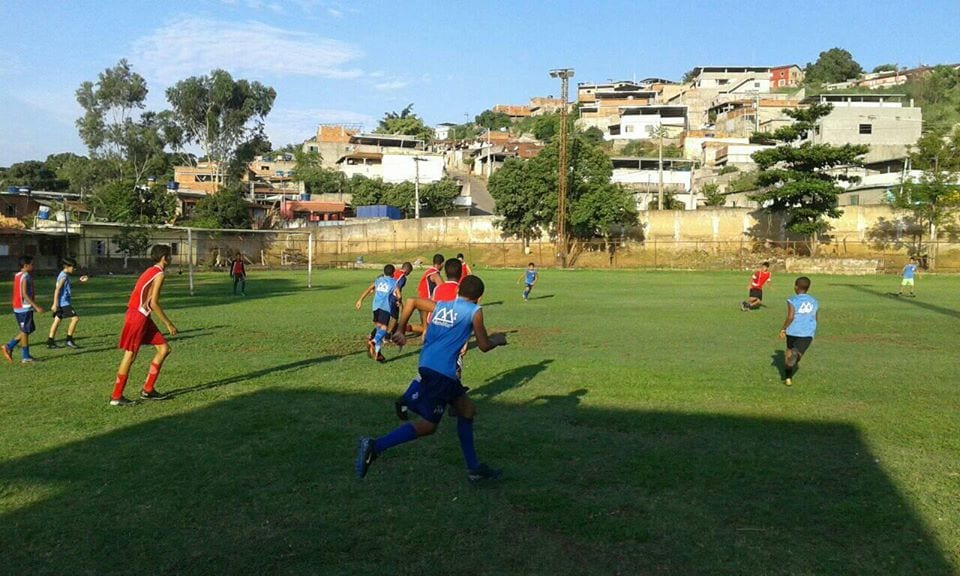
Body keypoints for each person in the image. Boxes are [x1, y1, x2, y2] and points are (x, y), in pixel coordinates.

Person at [355, 275, 507, 484]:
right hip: (441, 373)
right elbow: (483, 345)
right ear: (479, 297)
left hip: (429, 365)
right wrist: (498, 339)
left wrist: (399, 329)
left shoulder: (441, 305)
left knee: (467, 410)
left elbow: (412, 302)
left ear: (458, 291)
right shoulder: (474, 311)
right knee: (428, 426)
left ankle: (475, 469)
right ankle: (375, 445)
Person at [109, 244, 178, 406]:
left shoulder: (150, 270)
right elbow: (153, 303)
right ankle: (116, 396)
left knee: (164, 349)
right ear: (164, 258)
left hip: (141, 315)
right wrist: (168, 324)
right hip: (137, 316)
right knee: (130, 355)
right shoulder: (159, 274)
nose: (171, 258)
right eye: (170, 255)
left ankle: (148, 390)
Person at [355, 264, 400, 362]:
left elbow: (368, 289)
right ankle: (374, 342)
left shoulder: (378, 280)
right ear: (393, 273)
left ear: (384, 272)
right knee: (384, 328)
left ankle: (378, 354)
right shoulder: (394, 282)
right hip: (385, 307)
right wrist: (398, 301)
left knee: (379, 329)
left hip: (375, 307)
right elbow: (399, 295)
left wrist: (360, 300)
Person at [3, 256, 44, 364]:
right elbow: (24, 294)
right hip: (23, 308)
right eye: (32, 264)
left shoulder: (18, 275)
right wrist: (36, 306)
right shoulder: (25, 276)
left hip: (21, 307)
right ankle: (25, 357)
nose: (33, 266)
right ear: (26, 266)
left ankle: (9, 346)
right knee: (25, 331)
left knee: (29, 329)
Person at [779, 276, 819, 387]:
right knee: (798, 353)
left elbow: (790, 317)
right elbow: (815, 317)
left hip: (792, 330)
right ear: (808, 288)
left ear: (796, 287)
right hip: (806, 332)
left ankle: (788, 377)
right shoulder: (814, 301)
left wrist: (783, 328)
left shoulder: (792, 300)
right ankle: (796, 356)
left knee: (789, 350)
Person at [47, 257, 88, 349]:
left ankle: (50, 341)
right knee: (75, 319)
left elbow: (67, 287)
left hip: (61, 303)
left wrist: (79, 281)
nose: (74, 269)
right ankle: (69, 340)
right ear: (67, 266)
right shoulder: (64, 276)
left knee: (57, 321)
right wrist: (54, 304)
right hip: (63, 303)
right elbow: (57, 290)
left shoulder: (63, 275)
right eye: (73, 267)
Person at [413, 254, 444, 334]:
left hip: (421, 301)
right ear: (442, 264)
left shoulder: (428, 271)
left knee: (425, 327)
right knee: (429, 328)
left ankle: (403, 327)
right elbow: (442, 288)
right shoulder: (435, 274)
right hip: (428, 303)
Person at [389, 262, 414, 336]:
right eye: (410, 272)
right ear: (407, 270)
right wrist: (399, 300)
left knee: (386, 317)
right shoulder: (403, 277)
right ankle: (387, 336)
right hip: (393, 297)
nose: (409, 274)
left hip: (385, 296)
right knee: (394, 318)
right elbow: (398, 289)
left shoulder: (395, 271)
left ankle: (391, 332)